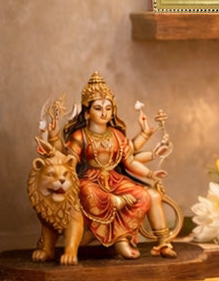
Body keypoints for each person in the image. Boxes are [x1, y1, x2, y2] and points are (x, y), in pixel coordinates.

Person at [62, 71, 177, 258]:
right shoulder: (80, 136)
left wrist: (150, 175)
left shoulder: (116, 135)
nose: (104, 112)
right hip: (90, 181)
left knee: (142, 196)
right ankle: (120, 238)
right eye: (98, 108)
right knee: (89, 193)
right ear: (87, 113)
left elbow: (129, 160)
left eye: (108, 108)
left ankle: (121, 238)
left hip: (115, 180)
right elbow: (70, 161)